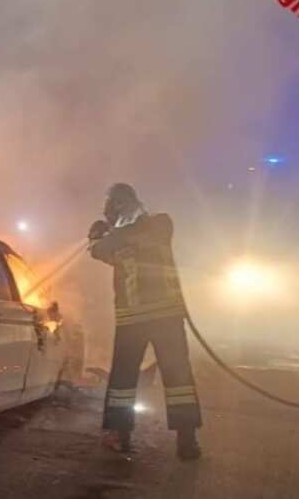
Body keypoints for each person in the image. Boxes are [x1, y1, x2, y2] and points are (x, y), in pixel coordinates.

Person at [89, 183, 201, 460]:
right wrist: (97, 239)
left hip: (142, 319)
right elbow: (100, 251)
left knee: (141, 379)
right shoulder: (134, 234)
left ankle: (181, 440)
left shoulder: (159, 223)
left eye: (113, 208)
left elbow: (110, 243)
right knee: (165, 378)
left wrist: (103, 235)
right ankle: (127, 435)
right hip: (160, 318)